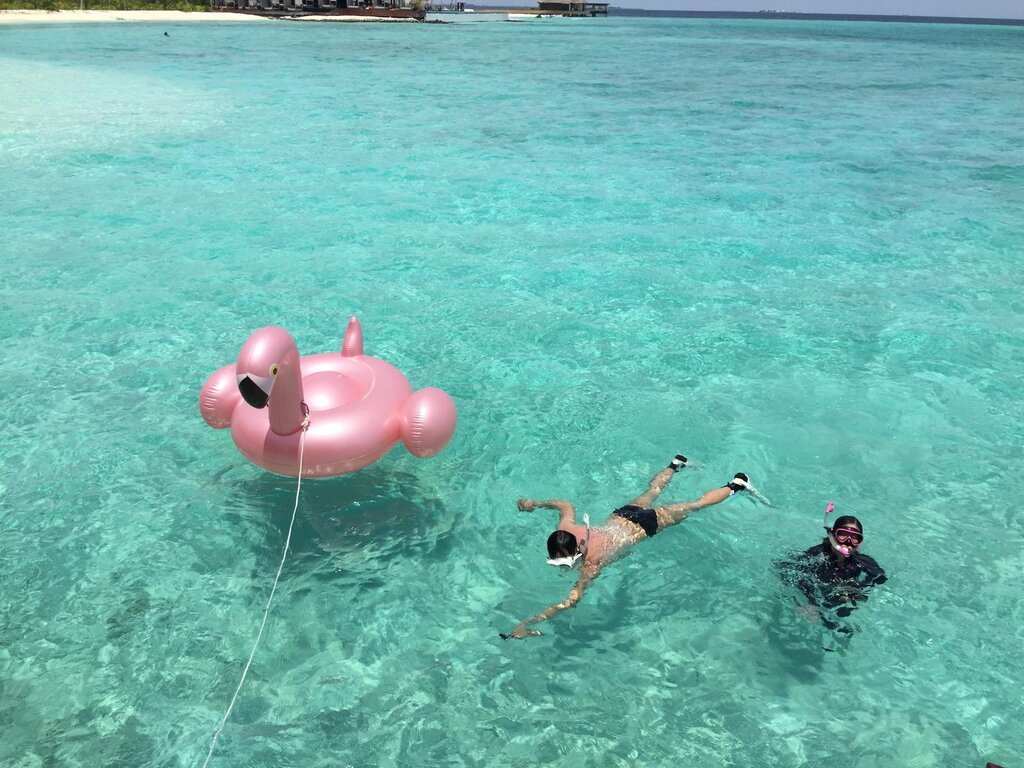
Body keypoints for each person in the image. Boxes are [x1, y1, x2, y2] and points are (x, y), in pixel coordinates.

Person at [501, 454, 762, 640]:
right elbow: (565, 505)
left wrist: (529, 623)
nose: (566, 566)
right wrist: (535, 504)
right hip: (624, 514)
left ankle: (736, 485)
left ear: (579, 549)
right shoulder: (567, 529)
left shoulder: (592, 563)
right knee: (653, 490)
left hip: (645, 525)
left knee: (695, 505)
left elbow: (571, 600)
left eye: (568, 561)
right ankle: (675, 464)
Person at [776, 503, 886, 632]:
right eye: (843, 535)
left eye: (855, 538)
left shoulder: (862, 561)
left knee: (840, 626)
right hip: (815, 594)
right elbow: (790, 572)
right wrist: (811, 603)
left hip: (839, 599)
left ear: (859, 543)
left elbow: (880, 577)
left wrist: (857, 590)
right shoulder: (817, 555)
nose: (848, 542)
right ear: (832, 535)